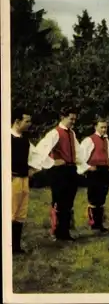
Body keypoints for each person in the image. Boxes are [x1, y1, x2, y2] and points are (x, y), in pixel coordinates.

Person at [36, 107, 83, 241]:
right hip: (59, 172)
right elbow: (40, 150)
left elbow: (78, 153)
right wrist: (52, 162)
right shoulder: (54, 133)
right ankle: (56, 231)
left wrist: (83, 166)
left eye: (75, 119)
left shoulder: (72, 133)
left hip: (70, 170)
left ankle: (65, 232)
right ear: (63, 117)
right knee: (59, 201)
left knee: (68, 202)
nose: (73, 122)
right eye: (71, 119)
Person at [11, 108, 45, 253]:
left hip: (24, 180)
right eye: (27, 121)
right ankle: (8, 247)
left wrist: (33, 169)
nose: (30, 124)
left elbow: (36, 157)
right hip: (12, 180)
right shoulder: (6, 138)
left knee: (21, 214)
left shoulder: (25, 140)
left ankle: (16, 247)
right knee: (10, 213)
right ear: (17, 122)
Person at [77, 116, 109, 233]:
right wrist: (88, 167)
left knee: (102, 197)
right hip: (94, 171)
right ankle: (94, 223)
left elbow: (108, 155)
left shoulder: (106, 140)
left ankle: (100, 223)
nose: (104, 130)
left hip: (104, 170)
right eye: (102, 127)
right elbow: (81, 157)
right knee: (94, 197)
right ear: (95, 127)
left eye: (105, 127)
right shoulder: (89, 140)